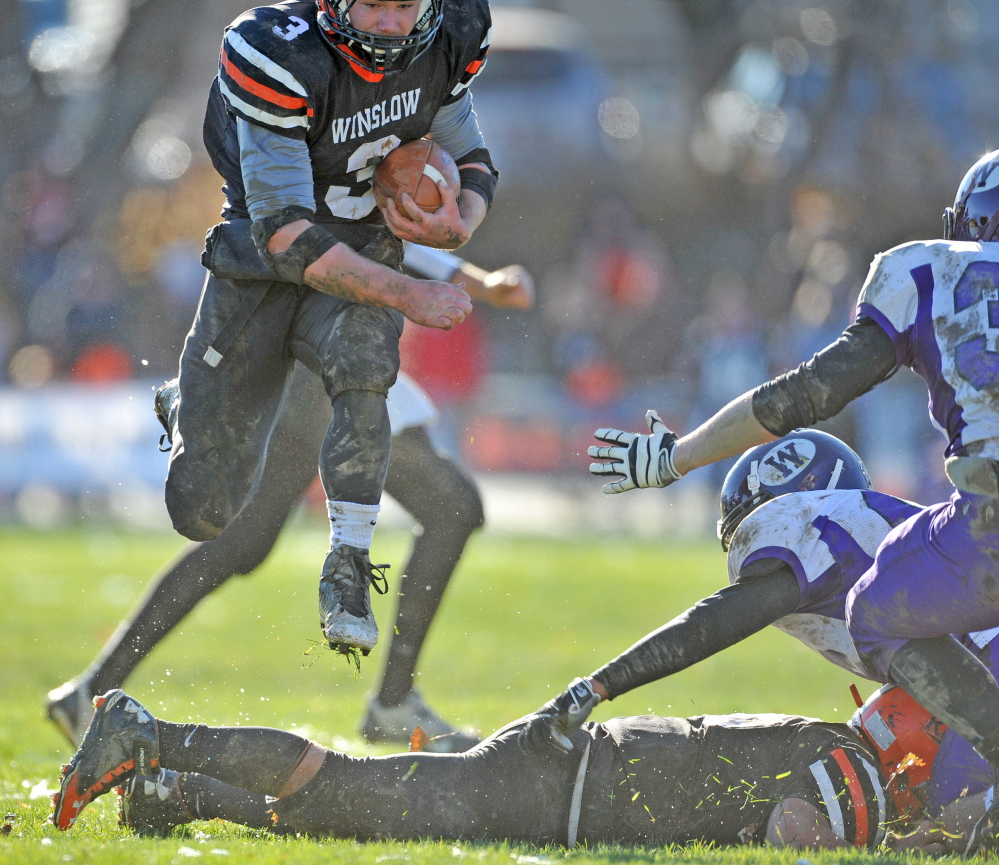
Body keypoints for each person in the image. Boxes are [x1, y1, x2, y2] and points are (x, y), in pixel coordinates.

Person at [581, 150, 999, 843]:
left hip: (985, 518)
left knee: (875, 612)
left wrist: (677, 456)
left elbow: (805, 394)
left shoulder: (926, 267)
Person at [46, 248, 534, 754]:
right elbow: (374, 215)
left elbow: (387, 225)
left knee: (244, 542)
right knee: (452, 507)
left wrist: (477, 276)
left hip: (316, 357)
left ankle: (92, 690)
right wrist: (482, 280)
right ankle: (392, 701)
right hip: (332, 361)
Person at [161, 0, 497, 659]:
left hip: (363, 244)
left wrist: (458, 221)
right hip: (263, 261)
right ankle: (184, 407)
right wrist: (410, 292)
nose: (392, 24)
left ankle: (347, 563)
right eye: (374, 5)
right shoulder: (277, 50)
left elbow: (474, 160)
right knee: (202, 512)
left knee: (365, 366)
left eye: (407, 8)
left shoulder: (450, 30)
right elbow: (285, 233)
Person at [530, 431, 996, 823]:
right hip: (979, 660)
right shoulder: (867, 521)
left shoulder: (804, 524)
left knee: (946, 820)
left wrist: (597, 685)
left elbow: (711, 624)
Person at [53, 686, 897, 850]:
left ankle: (172, 791)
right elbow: (802, 832)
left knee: (343, 811)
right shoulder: (846, 759)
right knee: (346, 789)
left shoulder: (830, 742)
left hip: (557, 788)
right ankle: (154, 735)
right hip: (548, 787)